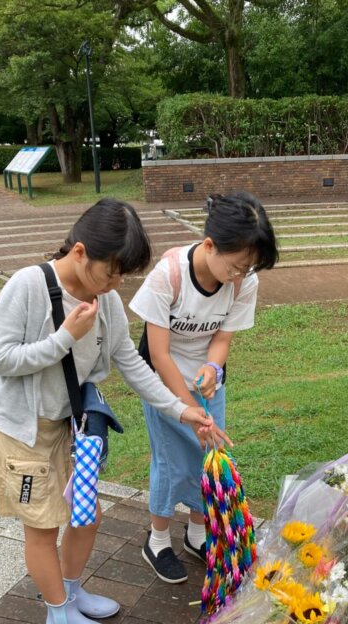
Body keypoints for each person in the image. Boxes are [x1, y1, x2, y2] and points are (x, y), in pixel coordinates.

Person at [0, 198, 223, 624]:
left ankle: (71, 594)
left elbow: (130, 362)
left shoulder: (106, 299)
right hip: (21, 429)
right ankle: (59, 617)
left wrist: (180, 408)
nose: (115, 283)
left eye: (121, 274)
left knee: (85, 515)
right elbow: (0, 359)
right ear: (78, 252)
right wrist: (63, 339)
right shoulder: (28, 286)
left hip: (71, 427)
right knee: (43, 525)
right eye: (110, 271)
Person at [129, 191, 278, 584]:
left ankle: (197, 534)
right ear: (210, 245)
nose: (240, 276)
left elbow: (223, 338)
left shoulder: (244, 280)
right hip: (164, 381)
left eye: (248, 268)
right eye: (235, 267)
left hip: (207, 383)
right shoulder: (169, 275)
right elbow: (159, 354)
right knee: (170, 460)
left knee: (207, 457)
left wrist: (212, 367)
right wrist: (185, 409)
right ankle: (157, 540)